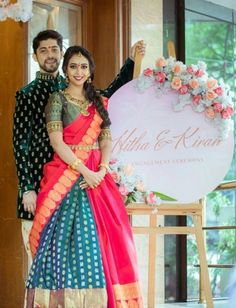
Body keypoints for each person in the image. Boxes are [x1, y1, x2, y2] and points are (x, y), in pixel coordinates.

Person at [13, 30, 145, 270]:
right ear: (35, 56)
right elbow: (21, 143)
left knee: (79, 258)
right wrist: (26, 187)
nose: (50, 54)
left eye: (54, 49)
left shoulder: (79, 89)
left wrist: (132, 61)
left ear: (61, 54)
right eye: (43, 50)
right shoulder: (27, 95)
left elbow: (110, 95)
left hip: (77, 177)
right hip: (42, 184)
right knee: (42, 257)